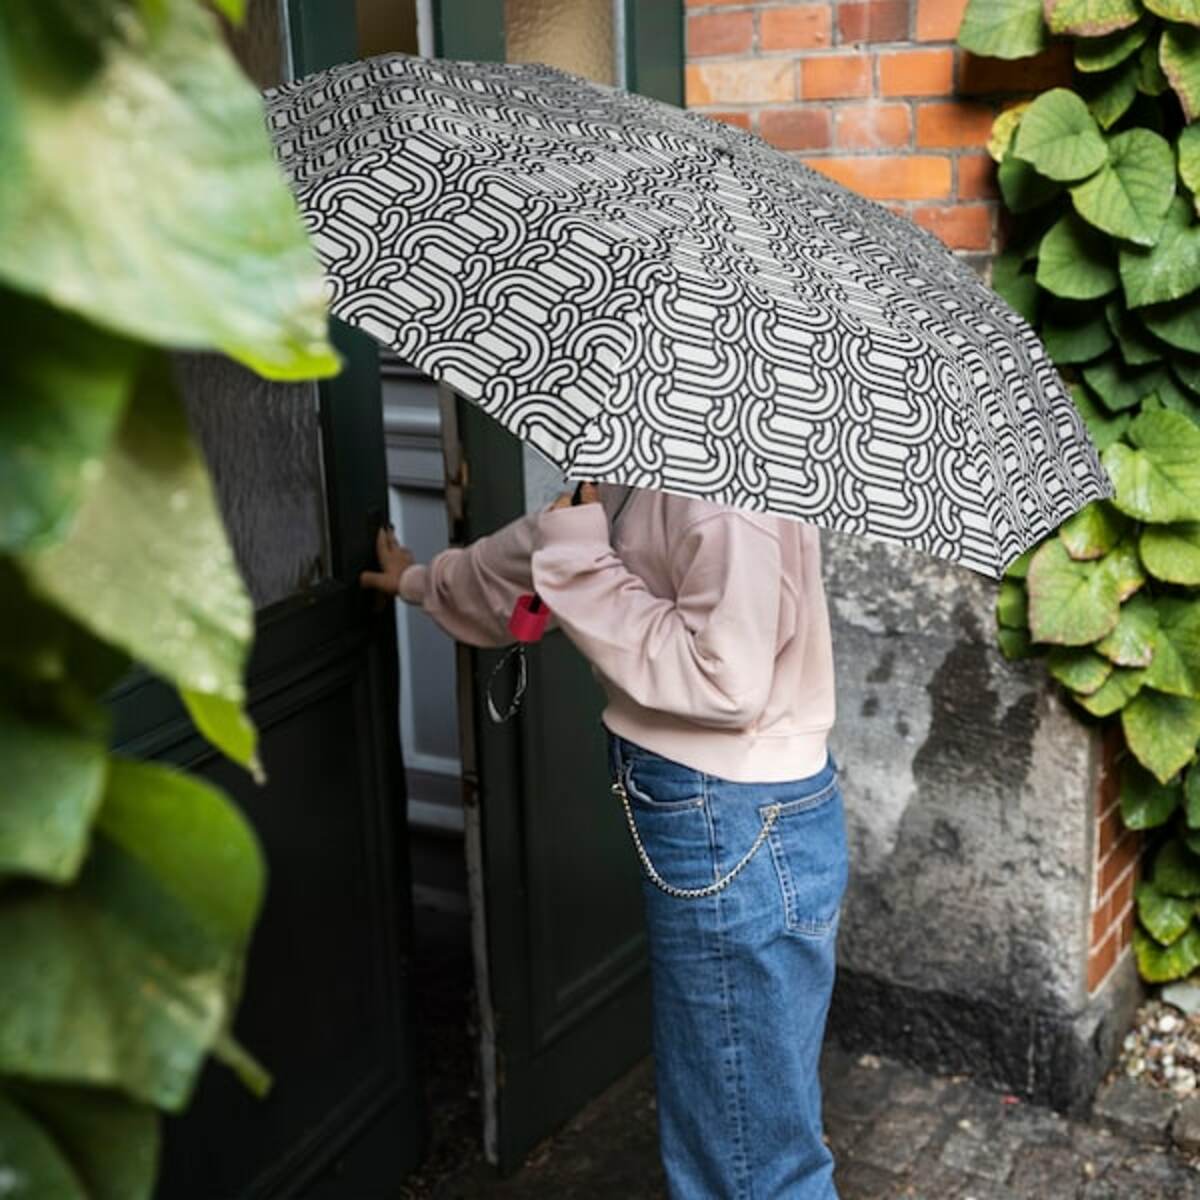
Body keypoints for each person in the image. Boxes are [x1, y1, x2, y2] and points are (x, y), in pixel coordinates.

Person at [360, 480, 848, 1200]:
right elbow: (545, 546)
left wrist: (580, 564)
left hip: (735, 819)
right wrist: (423, 582)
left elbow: (728, 679)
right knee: (746, 1128)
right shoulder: (643, 463)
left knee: (751, 1166)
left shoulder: (719, 492)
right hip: (735, 817)